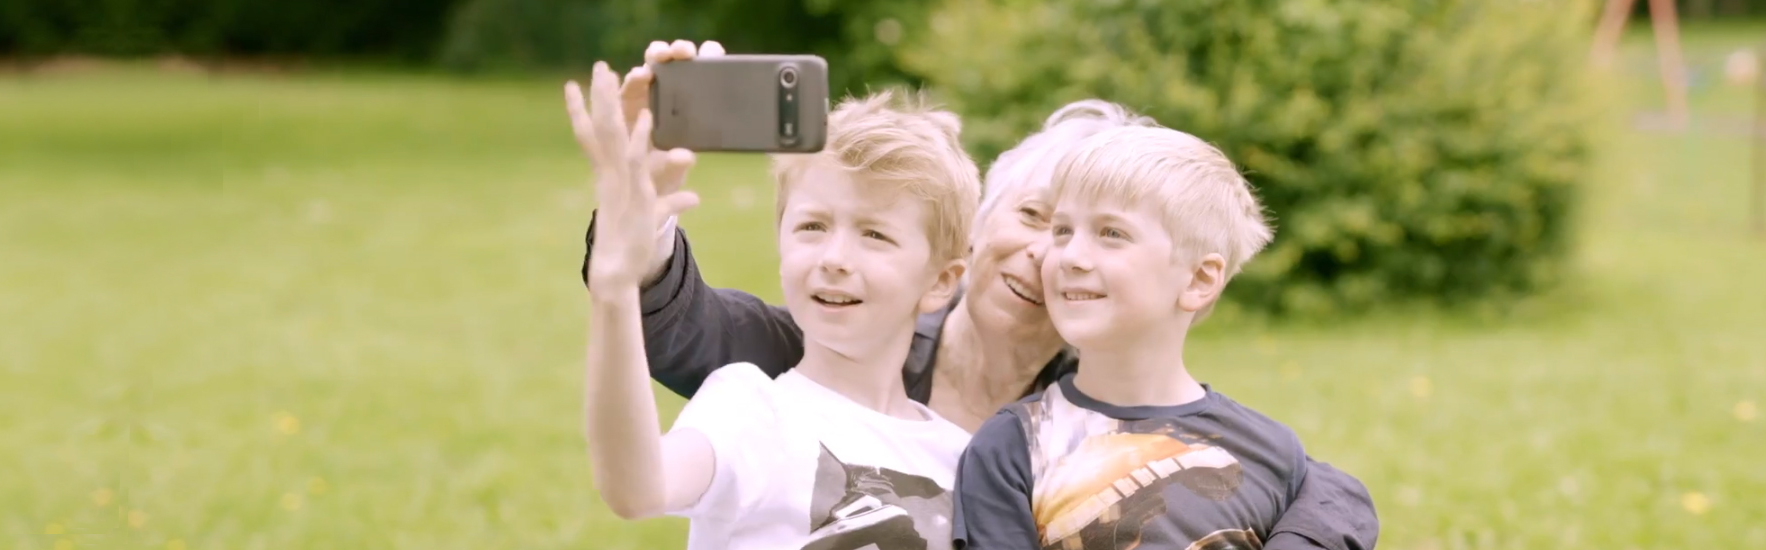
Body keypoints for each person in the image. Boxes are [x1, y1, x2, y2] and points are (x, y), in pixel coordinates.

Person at [578, 39, 1378, 550]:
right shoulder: (778, 379)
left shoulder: (1054, 431)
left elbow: (1306, 481)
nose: (1051, 254)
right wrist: (630, 257)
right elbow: (677, 347)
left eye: (1096, 234)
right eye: (1035, 217)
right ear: (976, 234)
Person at [572, 48, 986, 549]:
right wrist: (616, 288)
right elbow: (637, 489)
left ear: (942, 281)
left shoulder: (964, 460)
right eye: (813, 225)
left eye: (874, 235)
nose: (834, 257)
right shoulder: (751, 408)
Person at [951, 123, 1310, 550]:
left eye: (1111, 233)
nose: (1068, 256)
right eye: (1063, 230)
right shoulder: (1010, 446)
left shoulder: (1271, 450)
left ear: (1198, 279)